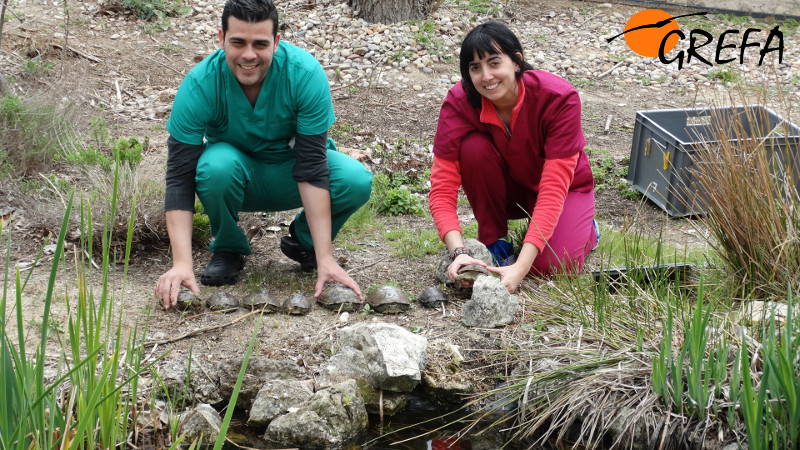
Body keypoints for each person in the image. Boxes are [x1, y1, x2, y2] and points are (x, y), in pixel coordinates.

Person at [154, 0, 372, 308]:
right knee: (215, 166)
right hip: (233, 176)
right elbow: (179, 177)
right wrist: (181, 263)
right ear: (221, 38)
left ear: (276, 42)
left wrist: (326, 257)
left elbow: (312, 165)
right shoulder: (200, 83)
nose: (248, 55)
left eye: (260, 44)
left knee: (355, 179)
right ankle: (228, 247)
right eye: (238, 43)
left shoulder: (305, 74)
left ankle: (306, 242)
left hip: (290, 171)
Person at [429, 21, 598, 294]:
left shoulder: (559, 97)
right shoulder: (459, 102)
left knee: (553, 266)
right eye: (475, 68)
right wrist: (458, 252)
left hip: (564, 189)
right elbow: (442, 188)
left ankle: (586, 229)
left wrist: (521, 267)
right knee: (473, 148)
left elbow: (554, 188)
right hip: (509, 187)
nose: (486, 76)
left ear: (517, 62)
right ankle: (495, 241)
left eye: (494, 63)